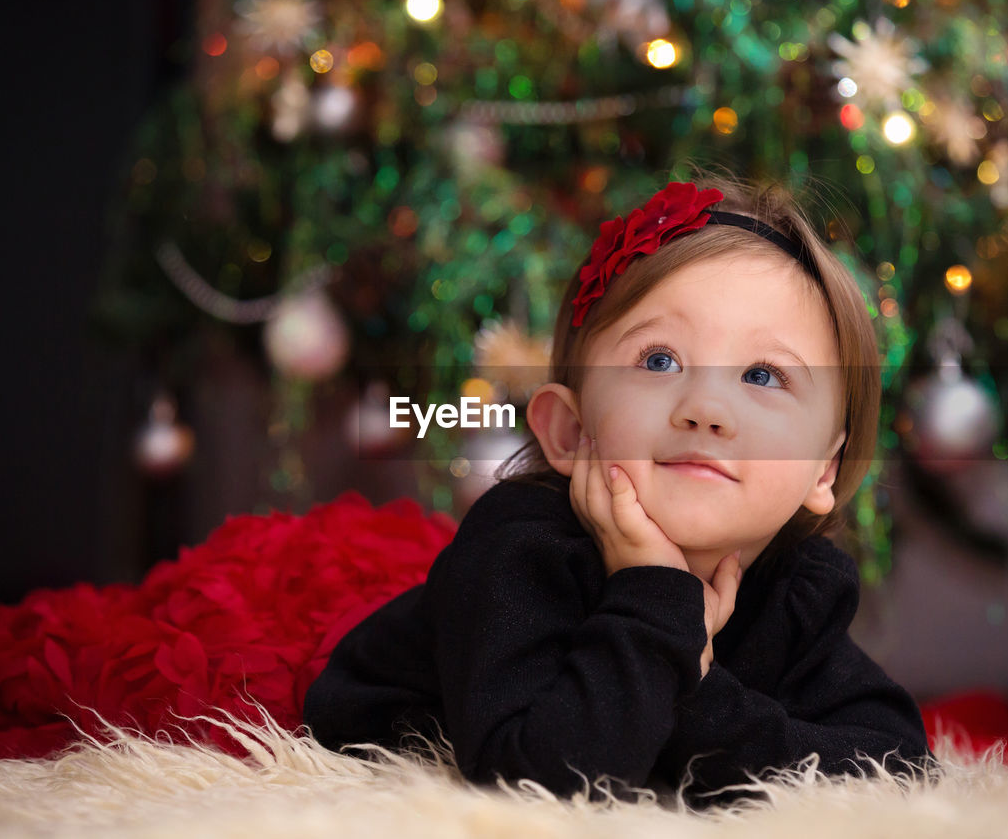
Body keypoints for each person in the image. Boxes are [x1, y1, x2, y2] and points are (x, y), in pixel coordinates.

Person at [304, 168, 937, 806]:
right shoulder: (522, 548)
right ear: (572, 431)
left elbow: (899, 768)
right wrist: (657, 599)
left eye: (764, 375)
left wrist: (697, 690)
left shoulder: (795, 586)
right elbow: (536, 786)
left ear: (822, 470)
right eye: (658, 360)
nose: (706, 407)